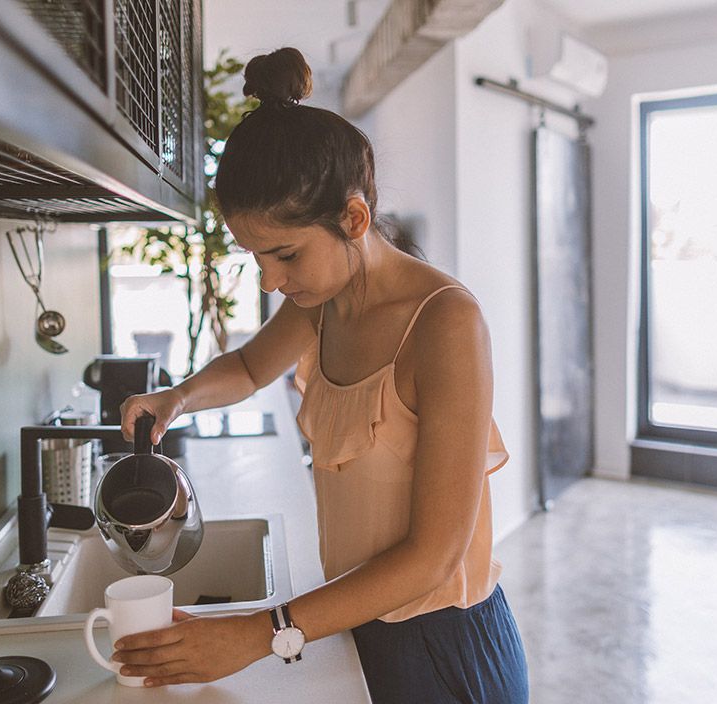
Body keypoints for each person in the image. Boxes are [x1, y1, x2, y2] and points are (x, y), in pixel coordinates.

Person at [114, 47, 529, 703]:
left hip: (444, 646)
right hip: (356, 619)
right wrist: (178, 397)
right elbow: (251, 366)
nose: (273, 281)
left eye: (285, 254)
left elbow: (434, 557)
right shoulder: (327, 302)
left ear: (354, 219)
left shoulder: (445, 326)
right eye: (257, 258)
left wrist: (254, 636)